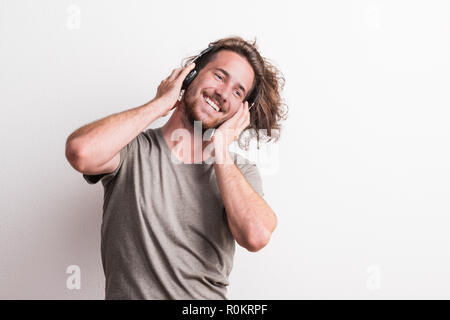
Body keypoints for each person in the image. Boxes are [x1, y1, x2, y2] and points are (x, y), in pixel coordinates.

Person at [65, 36, 287, 300]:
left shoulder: (238, 171)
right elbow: (80, 151)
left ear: (241, 111)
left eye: (238, 92)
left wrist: (220, 149)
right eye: (219, 76)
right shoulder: (131, 151)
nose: (224, 93)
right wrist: (159, 104)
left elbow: (256, 235)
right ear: (190, 74)